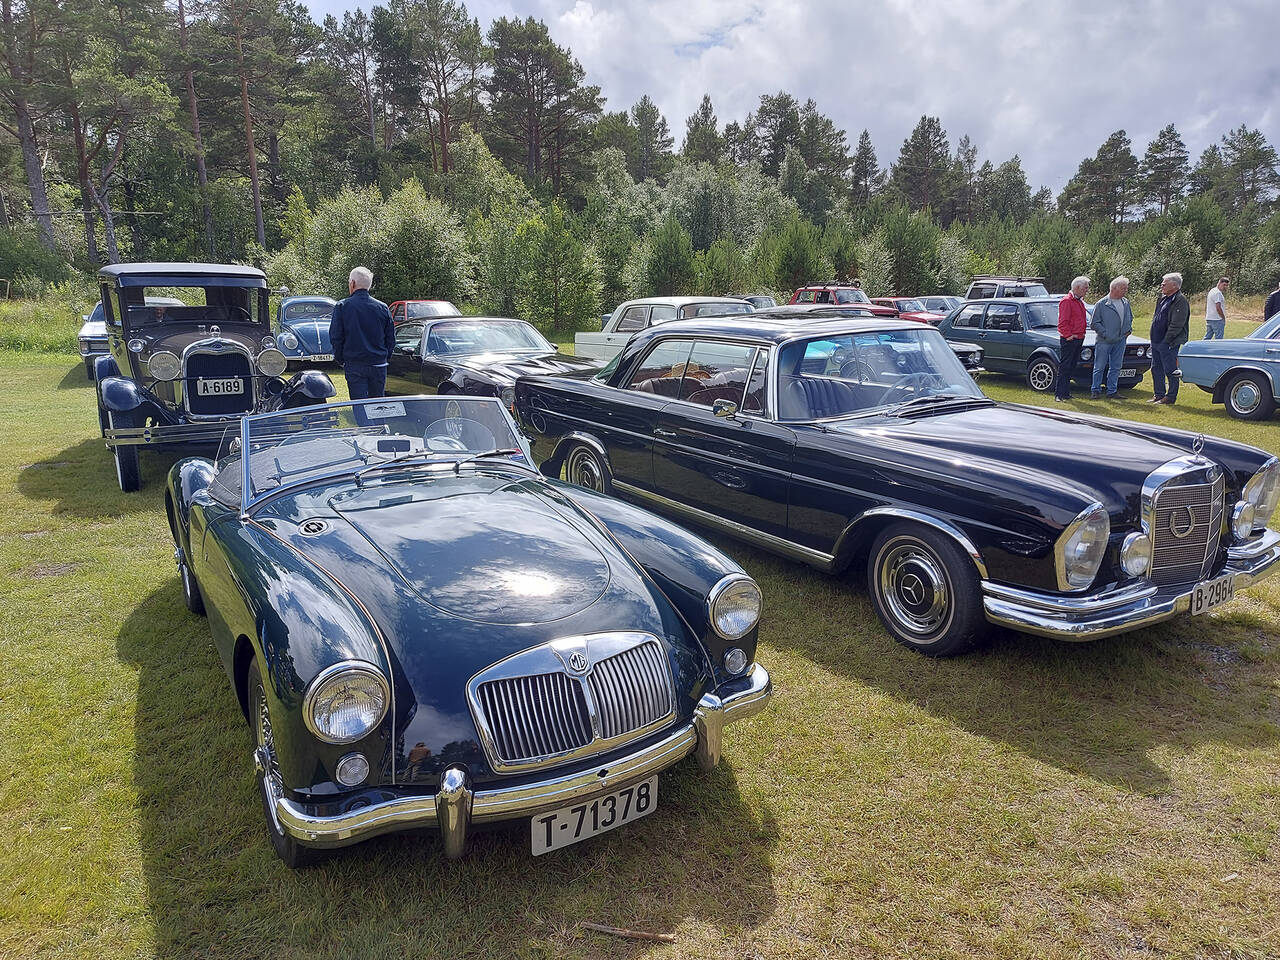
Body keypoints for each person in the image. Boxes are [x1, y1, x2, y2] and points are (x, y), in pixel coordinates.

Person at [330, 266, 394, 400]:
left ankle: (364, 422)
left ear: (352, 283)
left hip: (355, 364)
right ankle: (379, 422)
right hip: (378, 363)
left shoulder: (342, 307)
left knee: (359, 404)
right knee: (377, 404)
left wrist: (341, 359)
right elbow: (390, 339)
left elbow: (336, 337)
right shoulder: (382, 307)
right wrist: (384, 357)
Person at [1149, 272, 1190, 405]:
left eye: (1164, 283)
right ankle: (1159, 394)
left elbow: (1177, 324)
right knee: (1156, 368)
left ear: (1174, 285)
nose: (1162, 285)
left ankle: (1170, 396)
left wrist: (1167, 340)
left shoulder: (1180, 300)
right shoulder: (1163, 298)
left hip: (1168, 341)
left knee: (1170, 369)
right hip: (1156, 339)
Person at [1089, 276, 1132, 399]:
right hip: (1104, 342)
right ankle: (1095, 390)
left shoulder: (1125, 302)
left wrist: (1128, 330)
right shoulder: (1102, 304)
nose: (1126, 290)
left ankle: (1112, 391)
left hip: (1120, 341)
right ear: (1114, 288)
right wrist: (1105, 333)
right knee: (1100, 366)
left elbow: (1130, 317)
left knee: (1116, 367)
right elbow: (1094, 323)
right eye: (1124, 288)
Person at [1056, 276, 1090, 401]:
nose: (1086, 291)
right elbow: (1063, 323)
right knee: (1065, 366)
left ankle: (1066, 392)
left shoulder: (1080, 302)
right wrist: (1069, 336)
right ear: (1077, 287)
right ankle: (1059, 394)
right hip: (1069, 339)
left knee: (1072, 366)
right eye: (1085, 288)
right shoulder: (1066, 301)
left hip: (1079, 338)